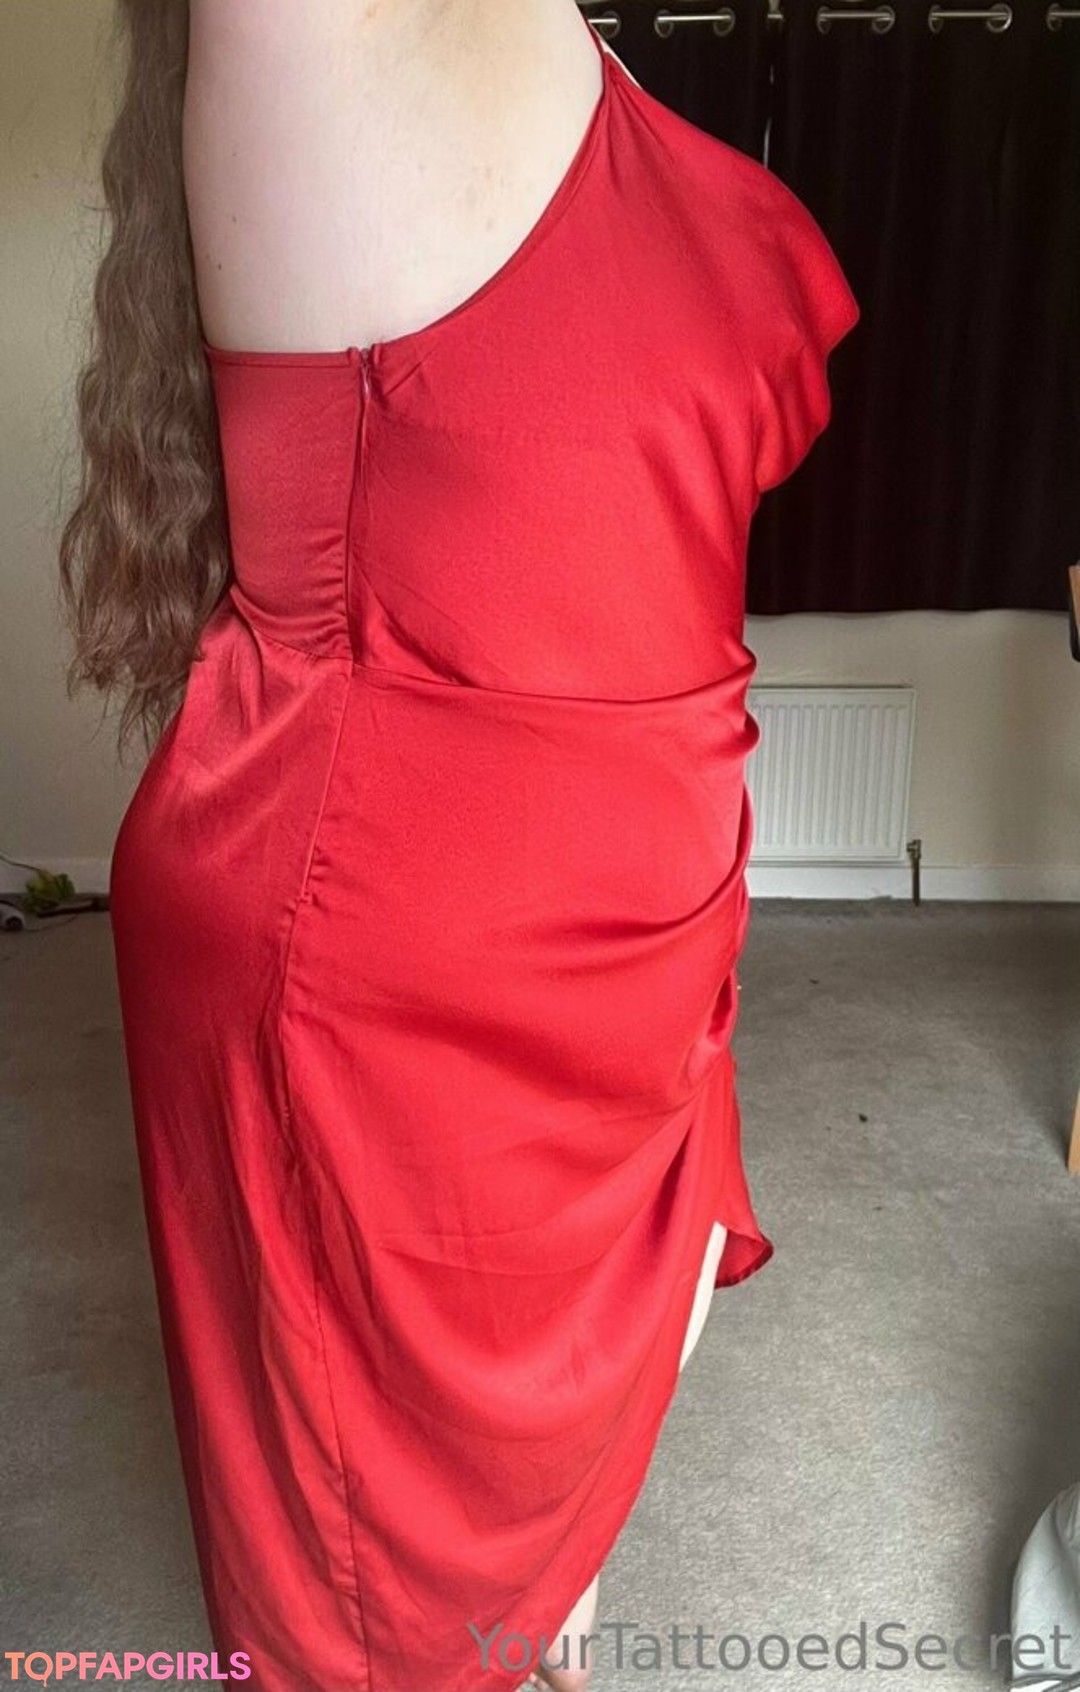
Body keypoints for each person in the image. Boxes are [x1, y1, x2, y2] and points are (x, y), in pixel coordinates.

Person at [59, 1, 858, 1687]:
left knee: (562, 1451)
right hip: (395, 960)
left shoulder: (566, 35)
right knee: (382, 1577)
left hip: (641, 923)